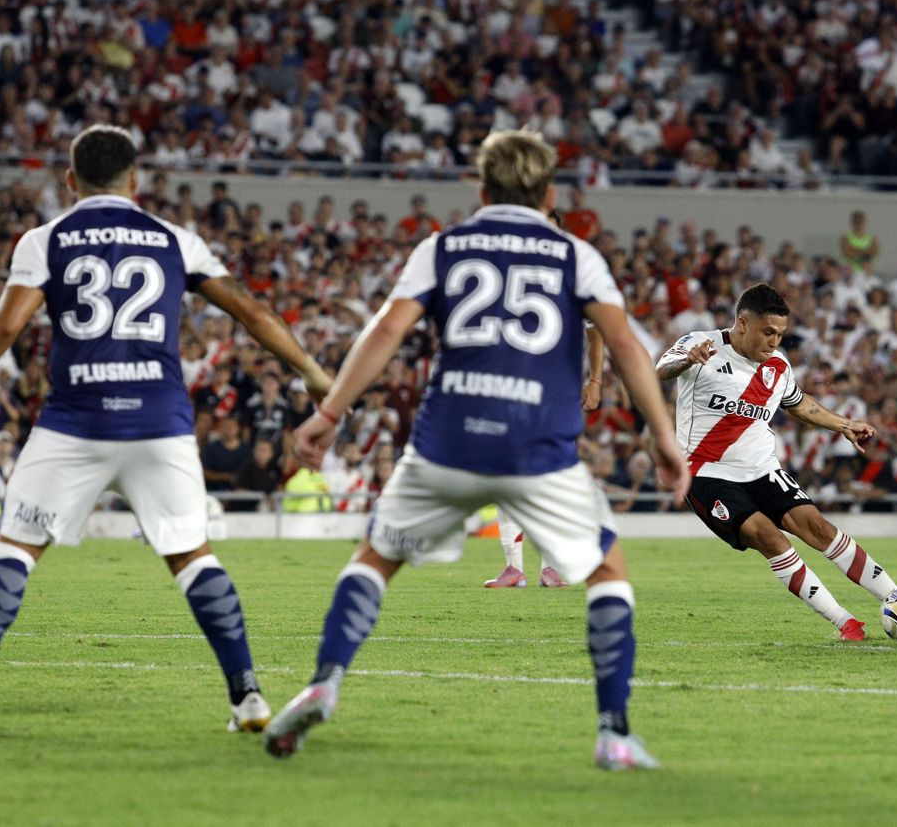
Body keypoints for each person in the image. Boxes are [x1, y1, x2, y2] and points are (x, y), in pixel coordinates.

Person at [263, 130, 689, 770]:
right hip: (538, 448)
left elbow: (386, 331)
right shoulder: (578, 255)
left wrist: (329, 412)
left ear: (481, 189)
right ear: (549, 193)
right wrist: (661, 434)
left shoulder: (442, 248)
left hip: (445, 442)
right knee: (607, 573)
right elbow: (625, 344)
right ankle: (614, 732)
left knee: (375, 559)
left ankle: (324, 679)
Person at [0, 125, 331, 735]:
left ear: (71, 181)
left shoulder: (45, 239)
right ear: (135, 181)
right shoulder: (174, 239)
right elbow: (253, 312)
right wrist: (315, 374)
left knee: (15, 545)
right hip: (159, 420)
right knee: (192, 555)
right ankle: (249, 698)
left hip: (75, 419)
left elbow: (5, 328)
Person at [655, 284, 897, 641]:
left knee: (819, 528)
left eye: (780, 334)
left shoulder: (778, 367)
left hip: (762, 469)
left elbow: (799, 404)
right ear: (742, 323)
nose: (774, 342)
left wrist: (844, 424)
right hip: (706, 472)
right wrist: (687, 358)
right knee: (767, 536)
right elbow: (660, 369)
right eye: (768, 332)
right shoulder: (701, 344)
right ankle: (846, 622)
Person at [484, 324, 605, 589]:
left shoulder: (569, 287)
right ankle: (514, 568)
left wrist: (595, 381)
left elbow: (595, 331)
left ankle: (551, 567)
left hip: (558, 394)